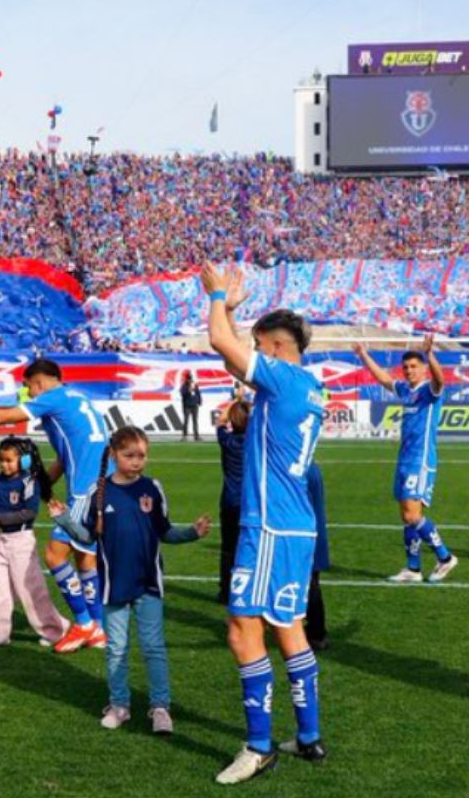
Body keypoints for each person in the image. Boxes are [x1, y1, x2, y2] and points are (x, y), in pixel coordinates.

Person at [201, 263, 327, 784]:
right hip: (297, 524)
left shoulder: (280, 377)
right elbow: (233, 352)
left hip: (269, 526)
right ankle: (308, 736)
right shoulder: (310, 385)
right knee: (289, 628)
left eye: (256, 346)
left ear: (273, 347)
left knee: (240, 630)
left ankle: (258, 747)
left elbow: (216, 341)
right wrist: (233, 310)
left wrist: (214, 299)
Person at [0, 358, 110, 653]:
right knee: (85, 557)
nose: (29, 393)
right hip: (104, 484)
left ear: (39, 382)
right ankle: (98, 629)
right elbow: (63, 459)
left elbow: (1, 417)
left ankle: (83, 625)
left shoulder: (51, 398)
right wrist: (42, 489)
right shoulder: (77, 397)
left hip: (87, 490)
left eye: (29, 387)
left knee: (55, 555)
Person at [49, 426, 210, 735]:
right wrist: (65, 520)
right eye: (129, 455)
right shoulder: (99, 494)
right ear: (113, 455)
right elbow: (87, 537)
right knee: (117, 649)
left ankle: (160, 707)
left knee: (153, 647)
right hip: (112, 586)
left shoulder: (153, 488)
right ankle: (119, 705)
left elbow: (165, 531)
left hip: (149, 583)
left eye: (142, 456)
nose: (137, 461)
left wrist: (191, 532)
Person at [353, 336, 458, 583]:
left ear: (423, 369)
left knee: (413, 516)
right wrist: (364, 355)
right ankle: (413, 569)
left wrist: (430, 354)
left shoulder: (429, 391)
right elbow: (384, 379)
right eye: (406, 367)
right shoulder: (405, 390)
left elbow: (441, 379)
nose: (409, 371)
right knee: (406, 516)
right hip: (404, 458)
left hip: (420, 459)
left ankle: (445, 557)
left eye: (414, 367)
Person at [0, 436, 67, 650]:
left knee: (30, 589)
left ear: (24, 461)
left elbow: (28, 514)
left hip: (20, 542)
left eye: (10, 460)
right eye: (1, 460)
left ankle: (55, 629)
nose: (4, 464)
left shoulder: (29, 483)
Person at [215, 400, 249, 605]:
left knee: (228, 548)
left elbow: (220, 420)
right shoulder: (255, 441)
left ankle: (226, 591)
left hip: (229, 500)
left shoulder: (226, 440)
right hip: (250, 502)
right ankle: (247, 590)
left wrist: (235, 401)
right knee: (249, 547)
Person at [304, 461, 330, 650]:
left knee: (309, 585)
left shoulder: (301, 471)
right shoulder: (310, 467)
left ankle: (316, 633)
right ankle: (316, 632)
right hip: (313, 537)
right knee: (311, 583)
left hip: (304, 539)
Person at [180, 371, 203, 441]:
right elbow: (182, 393)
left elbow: (198, 393)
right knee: (186, 420)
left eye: (190, 378)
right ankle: (184, 436)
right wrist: (189, 390)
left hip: (194, 405)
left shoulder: (195, 385)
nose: (190, 380)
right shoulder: (184, 385)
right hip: (187, 406)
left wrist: (199, 401)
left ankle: (196, 436)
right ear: (186, 379)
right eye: (188, 378)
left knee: (195, 421)